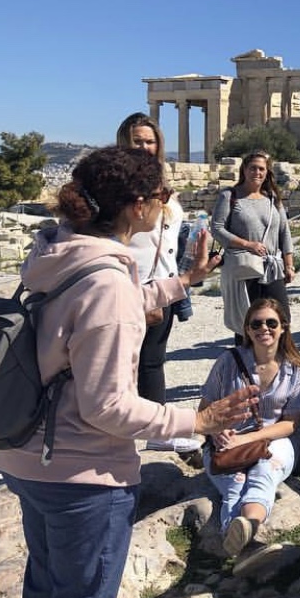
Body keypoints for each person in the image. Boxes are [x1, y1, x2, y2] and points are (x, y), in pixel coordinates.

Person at [0, 146, 256, 598]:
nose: (165, 205)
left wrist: (181, 282)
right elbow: (108, 407)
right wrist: (196, 420)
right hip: (84, 475)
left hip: (28, 459)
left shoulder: (59, 256)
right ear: (137, 206)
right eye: (162, 196)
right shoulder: (107, 284)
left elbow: (89, 312)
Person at [200, 299, 300, 557]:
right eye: (256, 324)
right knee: (235, 484)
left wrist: (250, 439)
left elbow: (290, 423)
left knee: (263, 472)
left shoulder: (295, 371)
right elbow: (204, 410)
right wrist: (217, 432)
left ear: (283, 327)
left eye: (271, 323)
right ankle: (246, 542)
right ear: (247, 330)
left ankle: (244, 531)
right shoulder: (228, 361)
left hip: (272, 438)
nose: (264, 329)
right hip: (227, 440)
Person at [114, 116, 188, 409]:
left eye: (150, 141)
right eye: (138, 140)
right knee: (123, 361)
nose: (145, 147)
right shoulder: (115, 185)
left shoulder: (161, 183)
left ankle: (154, 429)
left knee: (153, 362)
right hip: (130, 284)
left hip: (164, 285)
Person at [213, 150, 295, 338]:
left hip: (273, 267)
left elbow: (285, 232)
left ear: (267, 172)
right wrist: (247, 244)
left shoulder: (273, 198)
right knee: (248, 321)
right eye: (252, 168)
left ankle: (279, 362)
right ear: (244, 170)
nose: (257, 173)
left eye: (261, 169)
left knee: (282, 320)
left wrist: (289, 265)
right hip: (245, 266)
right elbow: (217, 228)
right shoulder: (230, 195)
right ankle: (245, 364)